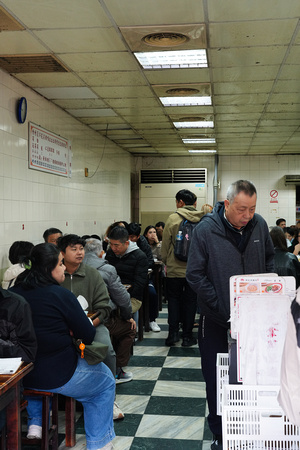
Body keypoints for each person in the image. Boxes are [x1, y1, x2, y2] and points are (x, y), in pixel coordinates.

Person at [186, 180, 275, 450]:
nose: (247, 215)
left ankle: (249, 425)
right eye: (241, 209)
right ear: (227, 205)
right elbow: (195, 275)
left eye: (252, 209)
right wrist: (222, 308)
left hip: (254, 319)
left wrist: (266, 287)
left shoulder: (258, 225)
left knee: (253, 374)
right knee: (216, 378)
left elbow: (270, 258)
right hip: (215, 319)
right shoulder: (205, 230)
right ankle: (220, 432)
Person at [11, 243, 115, 450]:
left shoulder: (14, 293)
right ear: (49, 268)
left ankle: (35, 423)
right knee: (105, 384)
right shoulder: (60, 295)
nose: (65, 268)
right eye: (60, 264)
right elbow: (88, 333)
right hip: (57, 373)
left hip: (18, 375)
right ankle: (99, 444)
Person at [56, 235, 117, 381]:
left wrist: (88, 325)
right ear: (62, 253)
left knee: (107, 351)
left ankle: (110, 394)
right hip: (60, 327)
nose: (79, 253)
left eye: (81, 249)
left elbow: (104, 307)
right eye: (74, 249)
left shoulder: (92, 274)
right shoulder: (55, 275)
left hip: (92, 325)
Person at [83, 238, 136, 387]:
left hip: (77, 319)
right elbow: (123, 298)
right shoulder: (106, 269)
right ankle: (117, 371)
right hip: (101, 319)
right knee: (129, 328)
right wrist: (127, 317)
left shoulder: (68, 266)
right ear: (101, 253)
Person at [161, 189, 203, 347]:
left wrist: (167, 262)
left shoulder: (172, 218)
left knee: (173, 300)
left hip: (174, 269)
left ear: (180, 202)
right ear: (195, 203)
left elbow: (165, 246)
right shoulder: (202, 219)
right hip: (194, 270)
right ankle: (187, 336)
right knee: (191, 302)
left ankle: (172, 335)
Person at [105, 226, 149, 329]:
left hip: (132, 296)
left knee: (124, 309)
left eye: (116, 245)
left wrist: (122, 295)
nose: (113, 248)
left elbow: (139, 284)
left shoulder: (140, 256)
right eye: (110, 244)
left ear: (127, 243)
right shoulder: (110, 254)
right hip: (112, 293)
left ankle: (130, 333)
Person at [126, 224, 160, 331]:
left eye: (133, 237)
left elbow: (150, 261)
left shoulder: (143, 244)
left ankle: (152, 320)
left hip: (143, 278)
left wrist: (139, 267)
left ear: (138, 236)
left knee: (152, 294)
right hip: (126, 279)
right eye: (129, 236)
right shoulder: (122, 243)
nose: (130, 239)